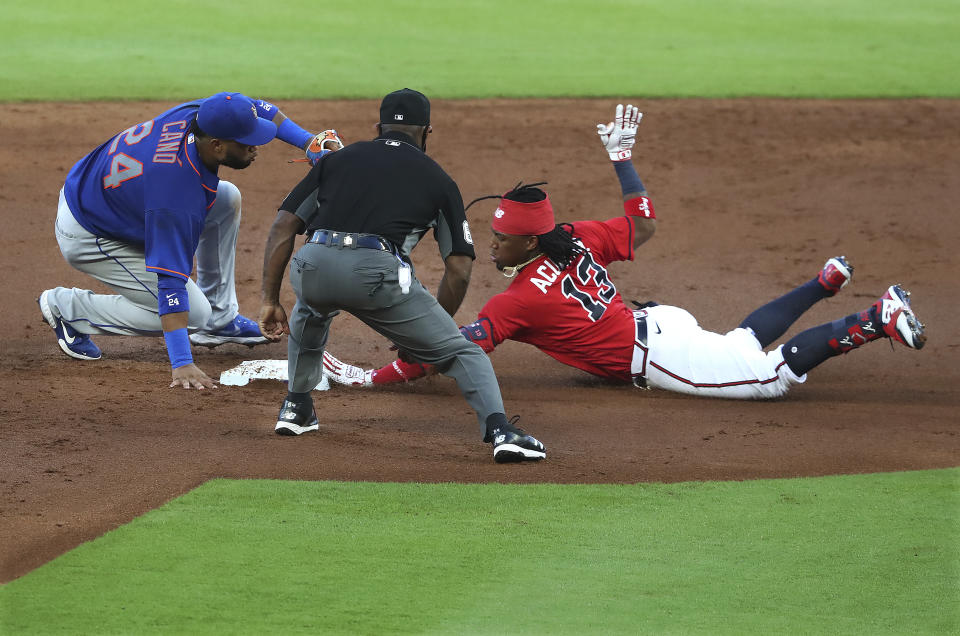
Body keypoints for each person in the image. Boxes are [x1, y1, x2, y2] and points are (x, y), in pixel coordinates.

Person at [322, 103, 927, 399]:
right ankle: (823, 283)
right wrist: (623, 162)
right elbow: (644, 226)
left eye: (501, 236)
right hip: (660, 323)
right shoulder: (577, 237)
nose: (493, 243)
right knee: (738, 343)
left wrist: (375, 376)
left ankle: (874, 319)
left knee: (766, 377)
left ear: (529, 239)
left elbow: (453, 347)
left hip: (653, 352)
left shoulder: (517, 302)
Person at [258, 88, 546, 463]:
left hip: (312, 264)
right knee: (462, 352)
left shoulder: (337, 160)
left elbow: (284, 225)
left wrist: (269, 299)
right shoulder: (438, 179)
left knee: (311, 308)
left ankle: (296, 407)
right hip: (374, 275)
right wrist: (428, 333)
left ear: (377, 127)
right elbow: (458, 268)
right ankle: (501, 431)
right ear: (427, 132)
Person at [37, 92, 343, 390]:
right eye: (247, 142)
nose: (257, 145)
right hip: (91, 233)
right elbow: (169, 283)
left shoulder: (202, 114)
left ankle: (220, 320)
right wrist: (181, 362)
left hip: (107, 195)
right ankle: (68, 308)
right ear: (217, 145)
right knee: (194, 314)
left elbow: (253, 108)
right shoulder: (176, 195)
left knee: (226, 199)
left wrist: (307, 142)